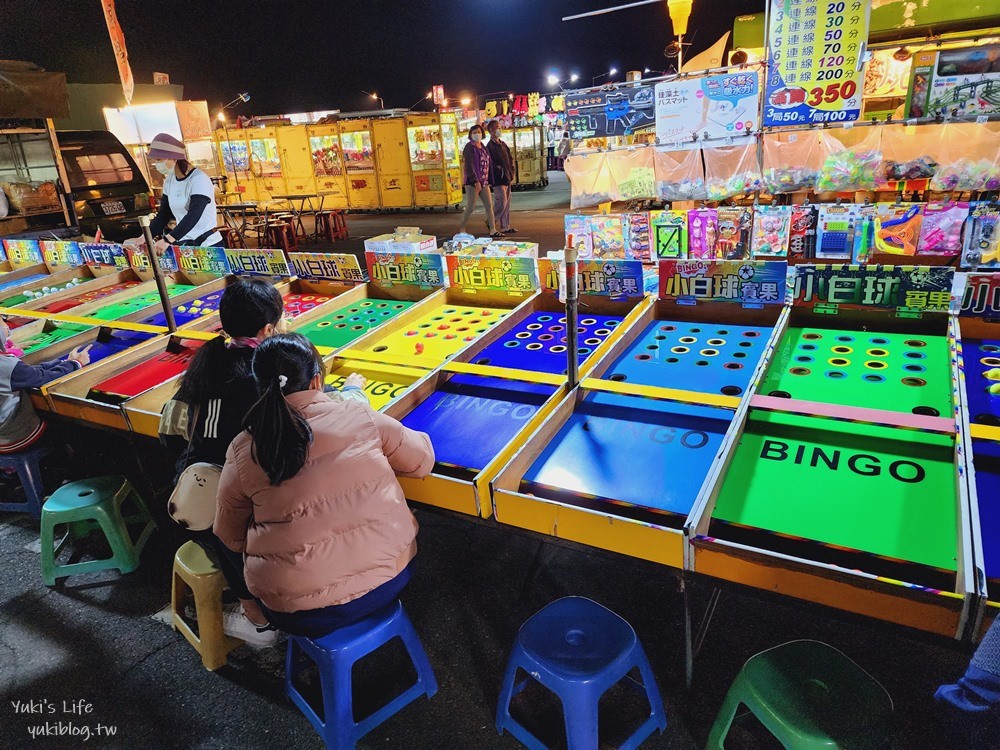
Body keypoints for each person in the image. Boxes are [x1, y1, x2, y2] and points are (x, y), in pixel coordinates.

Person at [159, 280, 367, 646]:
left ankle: (252, 611)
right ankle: (258, 617)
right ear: (270, 329)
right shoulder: (270, 376)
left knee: (233, 506)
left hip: (195, 499)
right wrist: (352, 390)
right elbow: (322, 412)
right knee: (256, 506)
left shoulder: (207, 367)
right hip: (243, 519)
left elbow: (168, 430)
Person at [214, 334, 434, 638]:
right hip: (388, 580)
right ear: (317, 381)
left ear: (259, 385)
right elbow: (422, 462)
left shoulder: (243, 448)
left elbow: (228, 534)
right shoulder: (358, 415)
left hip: (293, 610)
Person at [0, 318, 90, 455]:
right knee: (71, 425)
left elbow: (29, 372)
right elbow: (42, 378)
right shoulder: (6, 366)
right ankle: (70, 467)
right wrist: (76, 363)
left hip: (3, 432)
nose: (6, 326)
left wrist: (63, 362)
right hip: (14, 435)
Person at [142, 132, 223, 251]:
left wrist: (168, 240)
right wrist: (144, 238)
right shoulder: (169, 181)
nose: (157, 164)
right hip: (186, 245)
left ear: (173, 157)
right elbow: (163, 215)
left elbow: (193, 215)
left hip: (207, 244)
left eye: (159, 159)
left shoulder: (199, 179)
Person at [459, 124, 501, 238]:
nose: (477, 134)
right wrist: (475, 181)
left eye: (478, 131)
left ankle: (492, 229)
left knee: (489, 206)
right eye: (474, 132)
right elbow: (469, 165)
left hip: (484, 181)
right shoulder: (469, 147)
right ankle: (462, 227)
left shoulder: (482, 146)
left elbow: (488, 163)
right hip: (473, 182)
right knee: (471, 207)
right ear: (470, 135)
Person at [486, 120, 517, 235]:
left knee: (507, 202)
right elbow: (492, 164)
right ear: (491, 131)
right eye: (497, 128)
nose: (499, 129)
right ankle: (491, 222)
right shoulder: (490, 146)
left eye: (499, 127)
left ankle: (505, 226)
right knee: (501, 201)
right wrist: (500, 171)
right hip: (498, 179)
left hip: (507, 176)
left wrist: (511, 171)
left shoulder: (502, 144)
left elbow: (509, 158)